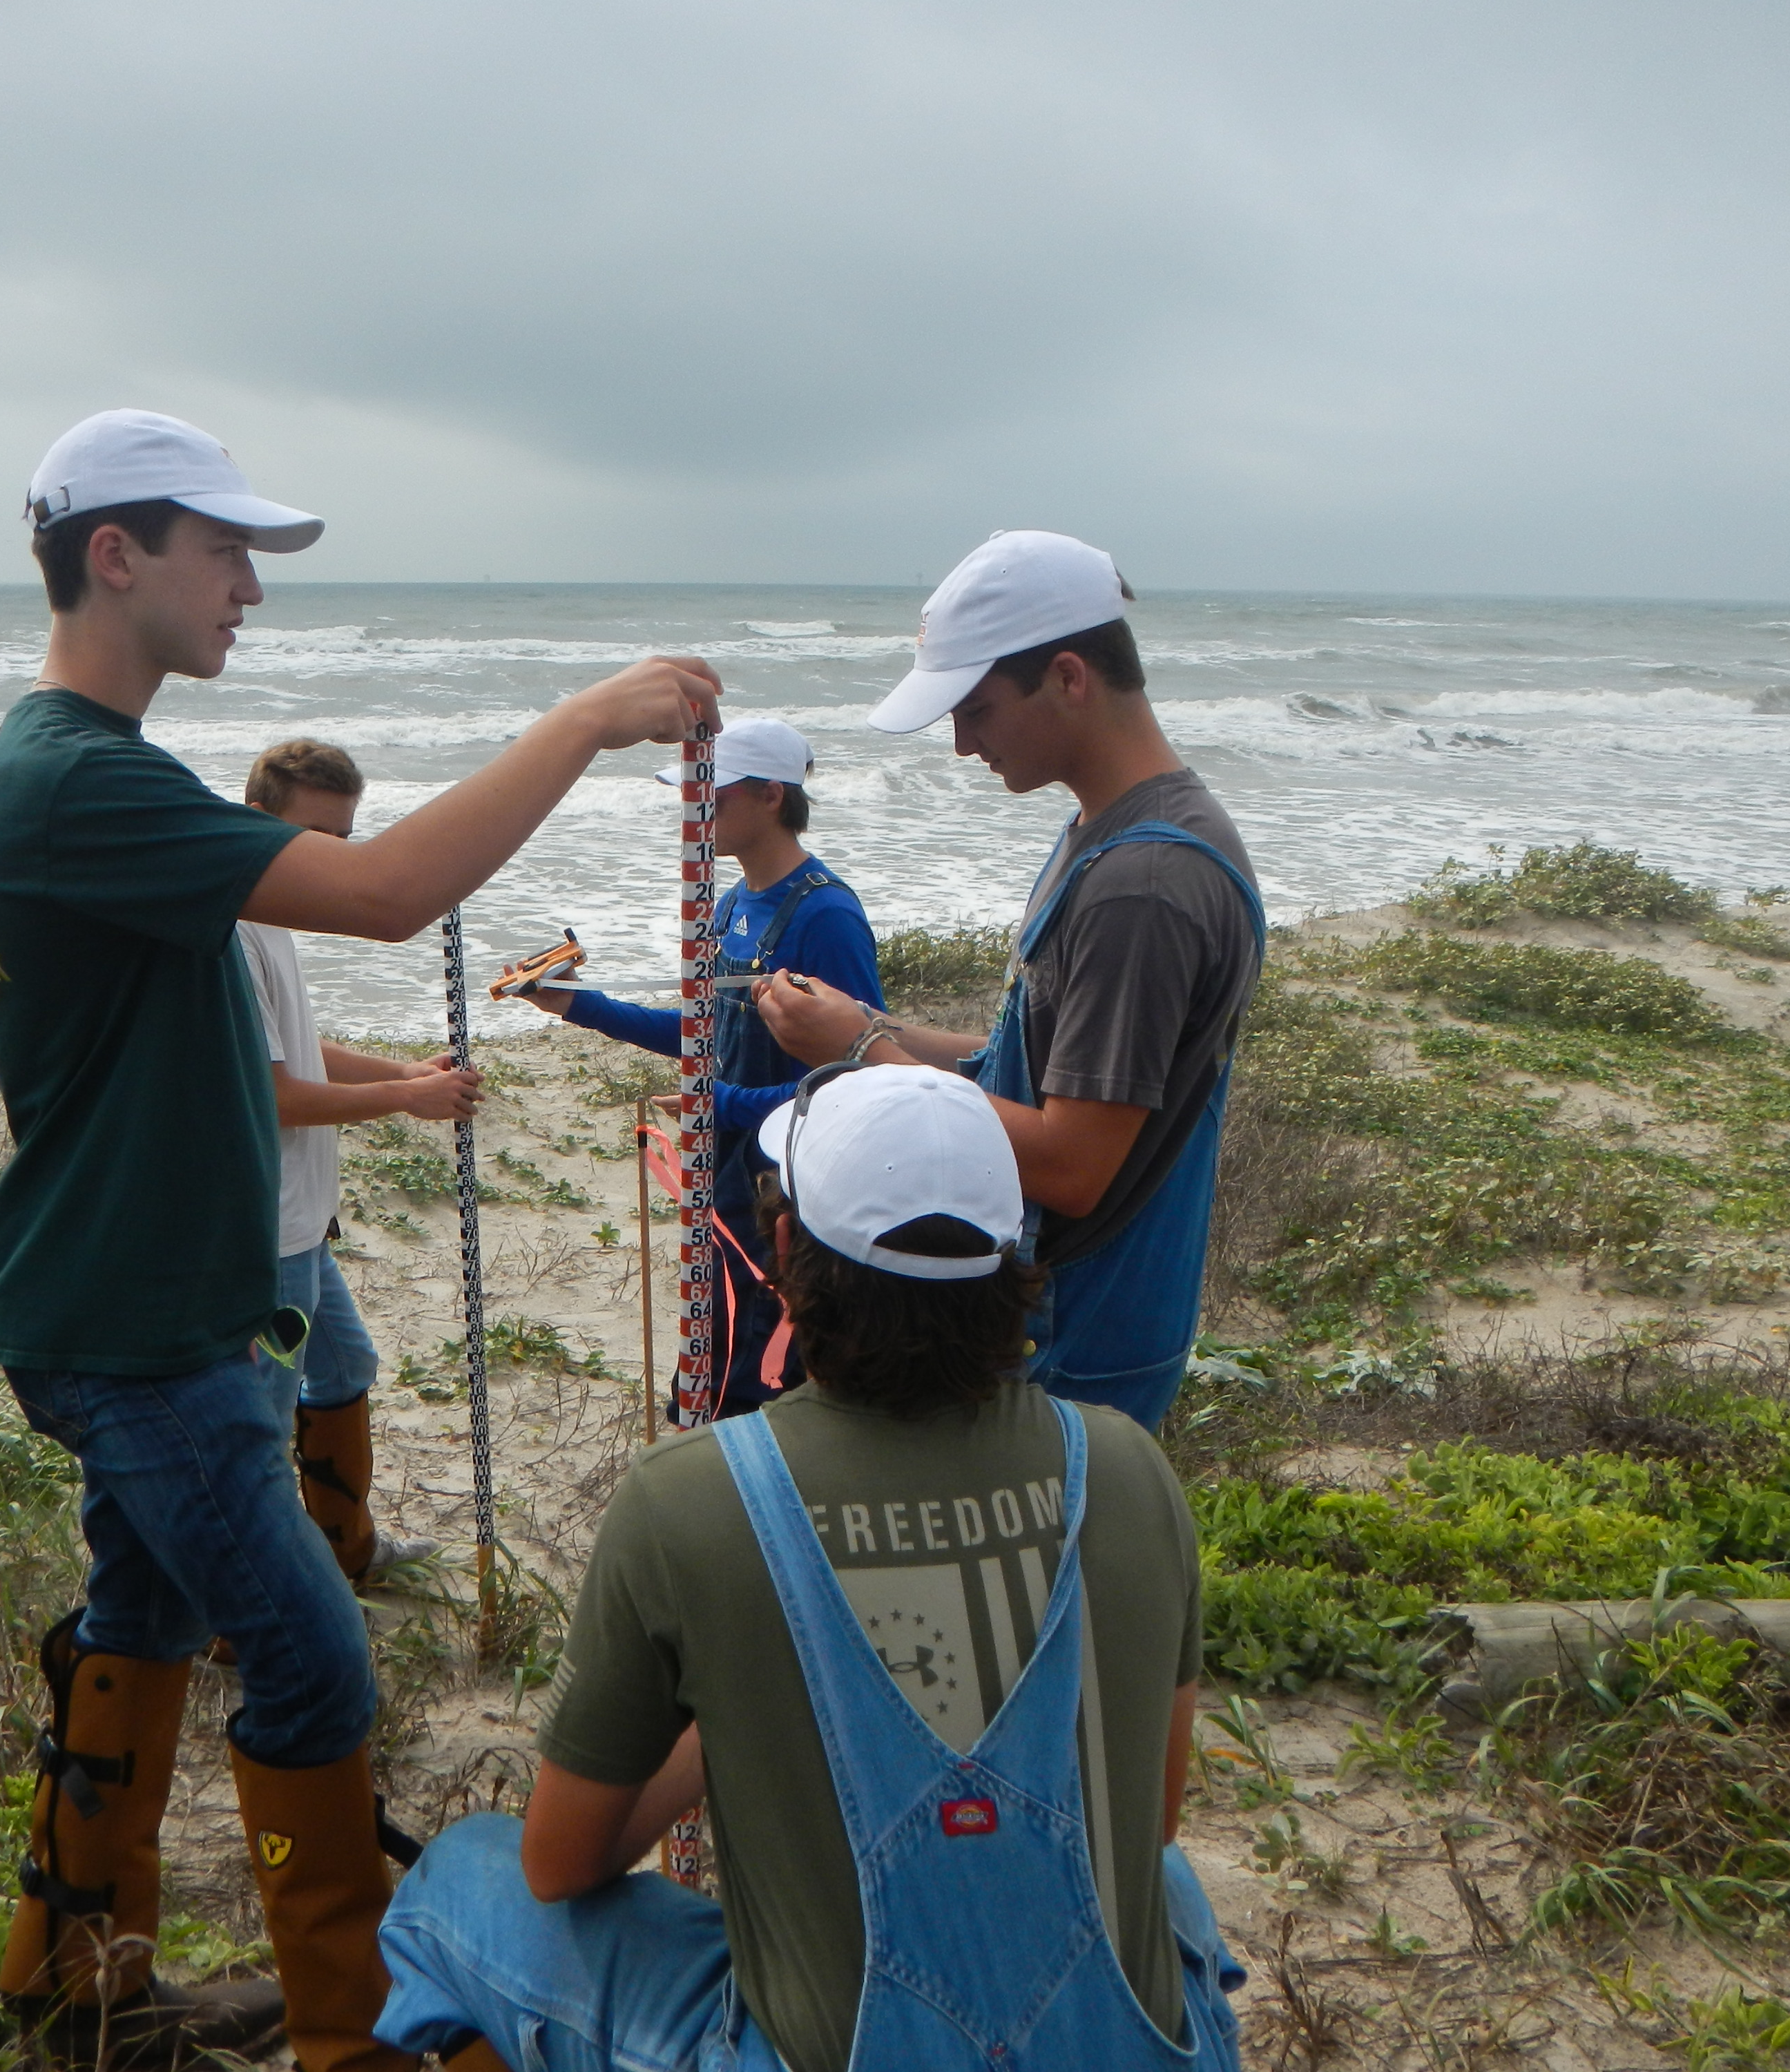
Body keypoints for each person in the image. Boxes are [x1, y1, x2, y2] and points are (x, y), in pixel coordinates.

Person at [0, 407, 720, 2071]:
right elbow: (384, 891)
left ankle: (77, 1981)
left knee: (144, 1622)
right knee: (310, 1656)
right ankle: (350, 2041)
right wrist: (585, 720)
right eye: (223, 548)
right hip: (140, 1331)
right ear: (116, 554)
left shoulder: (89, 777)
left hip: (139, 1308)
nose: (249, 584)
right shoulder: (77, 781)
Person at [369, 1064, 1244, 2072]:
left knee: (460, 1883)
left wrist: (726, 1715)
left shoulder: (693, 1500)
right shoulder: (1128, 1468)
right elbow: (1150, 1816)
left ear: (785, 1248)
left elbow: (563, 1863)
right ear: (1015, 1257)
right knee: (1168, 1887)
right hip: (1123, 2050)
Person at [755, 531, 1263, 1432]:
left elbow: (1071, 1164)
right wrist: (880, 1028)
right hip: (1070, 1313)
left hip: (1079, 1331)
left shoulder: (1142, 887)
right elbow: (1023, 1064)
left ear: (1069, 676)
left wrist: (864, 1052)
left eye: (977, 710)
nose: (961, 745)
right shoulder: (1106, 832)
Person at [510, 715, 883, 1419]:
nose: (694, 812)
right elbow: (701, 1036)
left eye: (712, 796)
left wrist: (722, 1104)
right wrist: (576, 1005)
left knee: (762, 1374)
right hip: (724, 1178)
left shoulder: (824, 916)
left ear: (772, 797)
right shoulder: (734, 903)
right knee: (708, 1358)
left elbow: (856, 1082)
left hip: (787, 1194)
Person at [240, 736, 453, 1582]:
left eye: (344, 839)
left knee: (345, 1365)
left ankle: (346, 1550)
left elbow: (297, 1048)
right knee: (260, 1420)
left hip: (302, 1223)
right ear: (261, 825)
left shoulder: (272, 919)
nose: (331, 860)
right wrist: (402, 1101)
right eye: (316, 838)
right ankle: (244, 1614)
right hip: (266, 1232)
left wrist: (401, 1070)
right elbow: (274, 1094)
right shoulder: (234, 932)